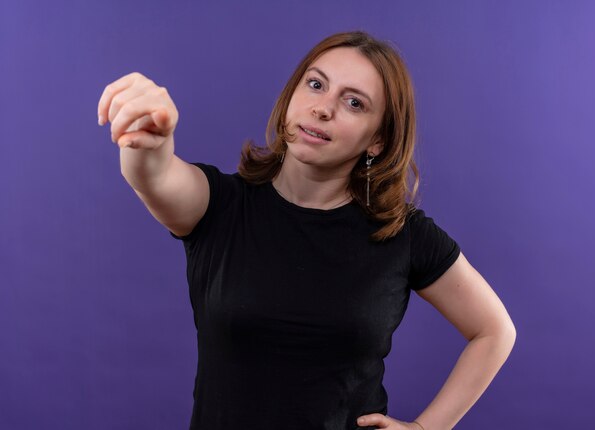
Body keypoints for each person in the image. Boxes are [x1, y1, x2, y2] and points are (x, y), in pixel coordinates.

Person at [97, 31, 516, 430]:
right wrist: (148, 139)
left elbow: (495, 331)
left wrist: (427, 426)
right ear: (293, 96)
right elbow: (154, 175)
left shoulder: (404, 235)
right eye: (316, 85)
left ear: (378, 141)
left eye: (354, 103)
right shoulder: (220, 205)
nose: (323, 108)